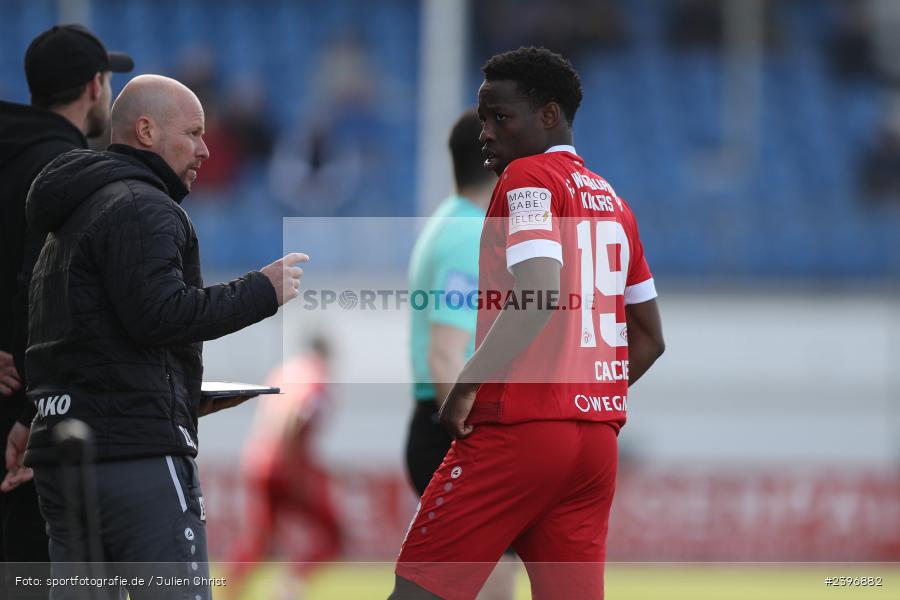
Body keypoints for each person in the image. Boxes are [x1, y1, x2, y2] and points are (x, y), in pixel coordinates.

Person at [3, 73, 309, 600]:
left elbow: (71, 343)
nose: (205, 150)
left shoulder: (68, 218)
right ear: (146, 131)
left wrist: (36, 416)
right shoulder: (143, 206)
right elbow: (160, 315)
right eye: (193, 133)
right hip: (134, 457)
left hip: (63, 459)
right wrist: (261, 291)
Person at [390, 47, 665, 600]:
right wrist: (585, 395)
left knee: (420, 591)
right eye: (483, 118)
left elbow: (539, 292)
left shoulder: (526, 179)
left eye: (501, 117)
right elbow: (651, 340)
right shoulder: (614, 202)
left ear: (549, 115)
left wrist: (468, 384)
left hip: (519, 432)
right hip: (595, 444)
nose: (486, 133)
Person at [0, 23, 133, 597]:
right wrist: (35, 407)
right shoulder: (67, 171)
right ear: (95, 85)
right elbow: (46, 292)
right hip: (34, 416)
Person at [405, 109, 516, 600]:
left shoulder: (449, 223)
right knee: (492, 581)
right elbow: (445, 353)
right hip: (451, 427)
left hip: (438, 424)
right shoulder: (469, 235)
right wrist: (475, 442)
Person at [226, 336, 342, 600]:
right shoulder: (315, 376)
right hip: (285, 465)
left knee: (259, 540)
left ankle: (227, 593)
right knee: (333, 533)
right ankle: (289, 586)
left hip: (259, 461)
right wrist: (294, 467)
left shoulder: (285, 370)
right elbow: (296, 415)